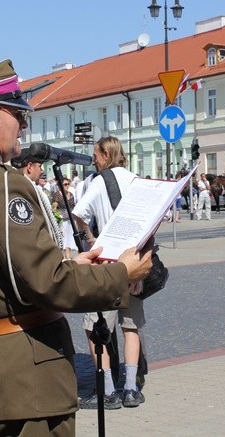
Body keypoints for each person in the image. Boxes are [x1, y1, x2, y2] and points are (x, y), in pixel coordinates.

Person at [0, 59, 152, 436]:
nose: (25, 124)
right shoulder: (0, 184)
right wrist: (121, 273)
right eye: (16, 113)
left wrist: (70, 260)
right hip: (23, 383)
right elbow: (47, 284)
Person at [73, 136, 147, 410]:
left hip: (108, 262)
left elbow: (78, 213)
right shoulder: (136, 180)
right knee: (131, 326)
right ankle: (130, 389)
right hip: (136, 261)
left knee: (95, 327)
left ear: (106, 154)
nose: (94, 159)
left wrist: (90, 240)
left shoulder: (100, 181)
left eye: (96, 154)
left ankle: (108, 392)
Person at [53, 178, 78, 259]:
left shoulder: (71, 194)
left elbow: (73, 207)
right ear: (60, 185)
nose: (67, 186)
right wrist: (57, 218)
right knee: (63, 238)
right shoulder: (57, 195)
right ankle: (62, 257)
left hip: (71, 219)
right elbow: (54, 208)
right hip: (62, 219)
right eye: (65, 184)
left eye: (68, 184)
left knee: (70, 238)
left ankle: (68, 257)